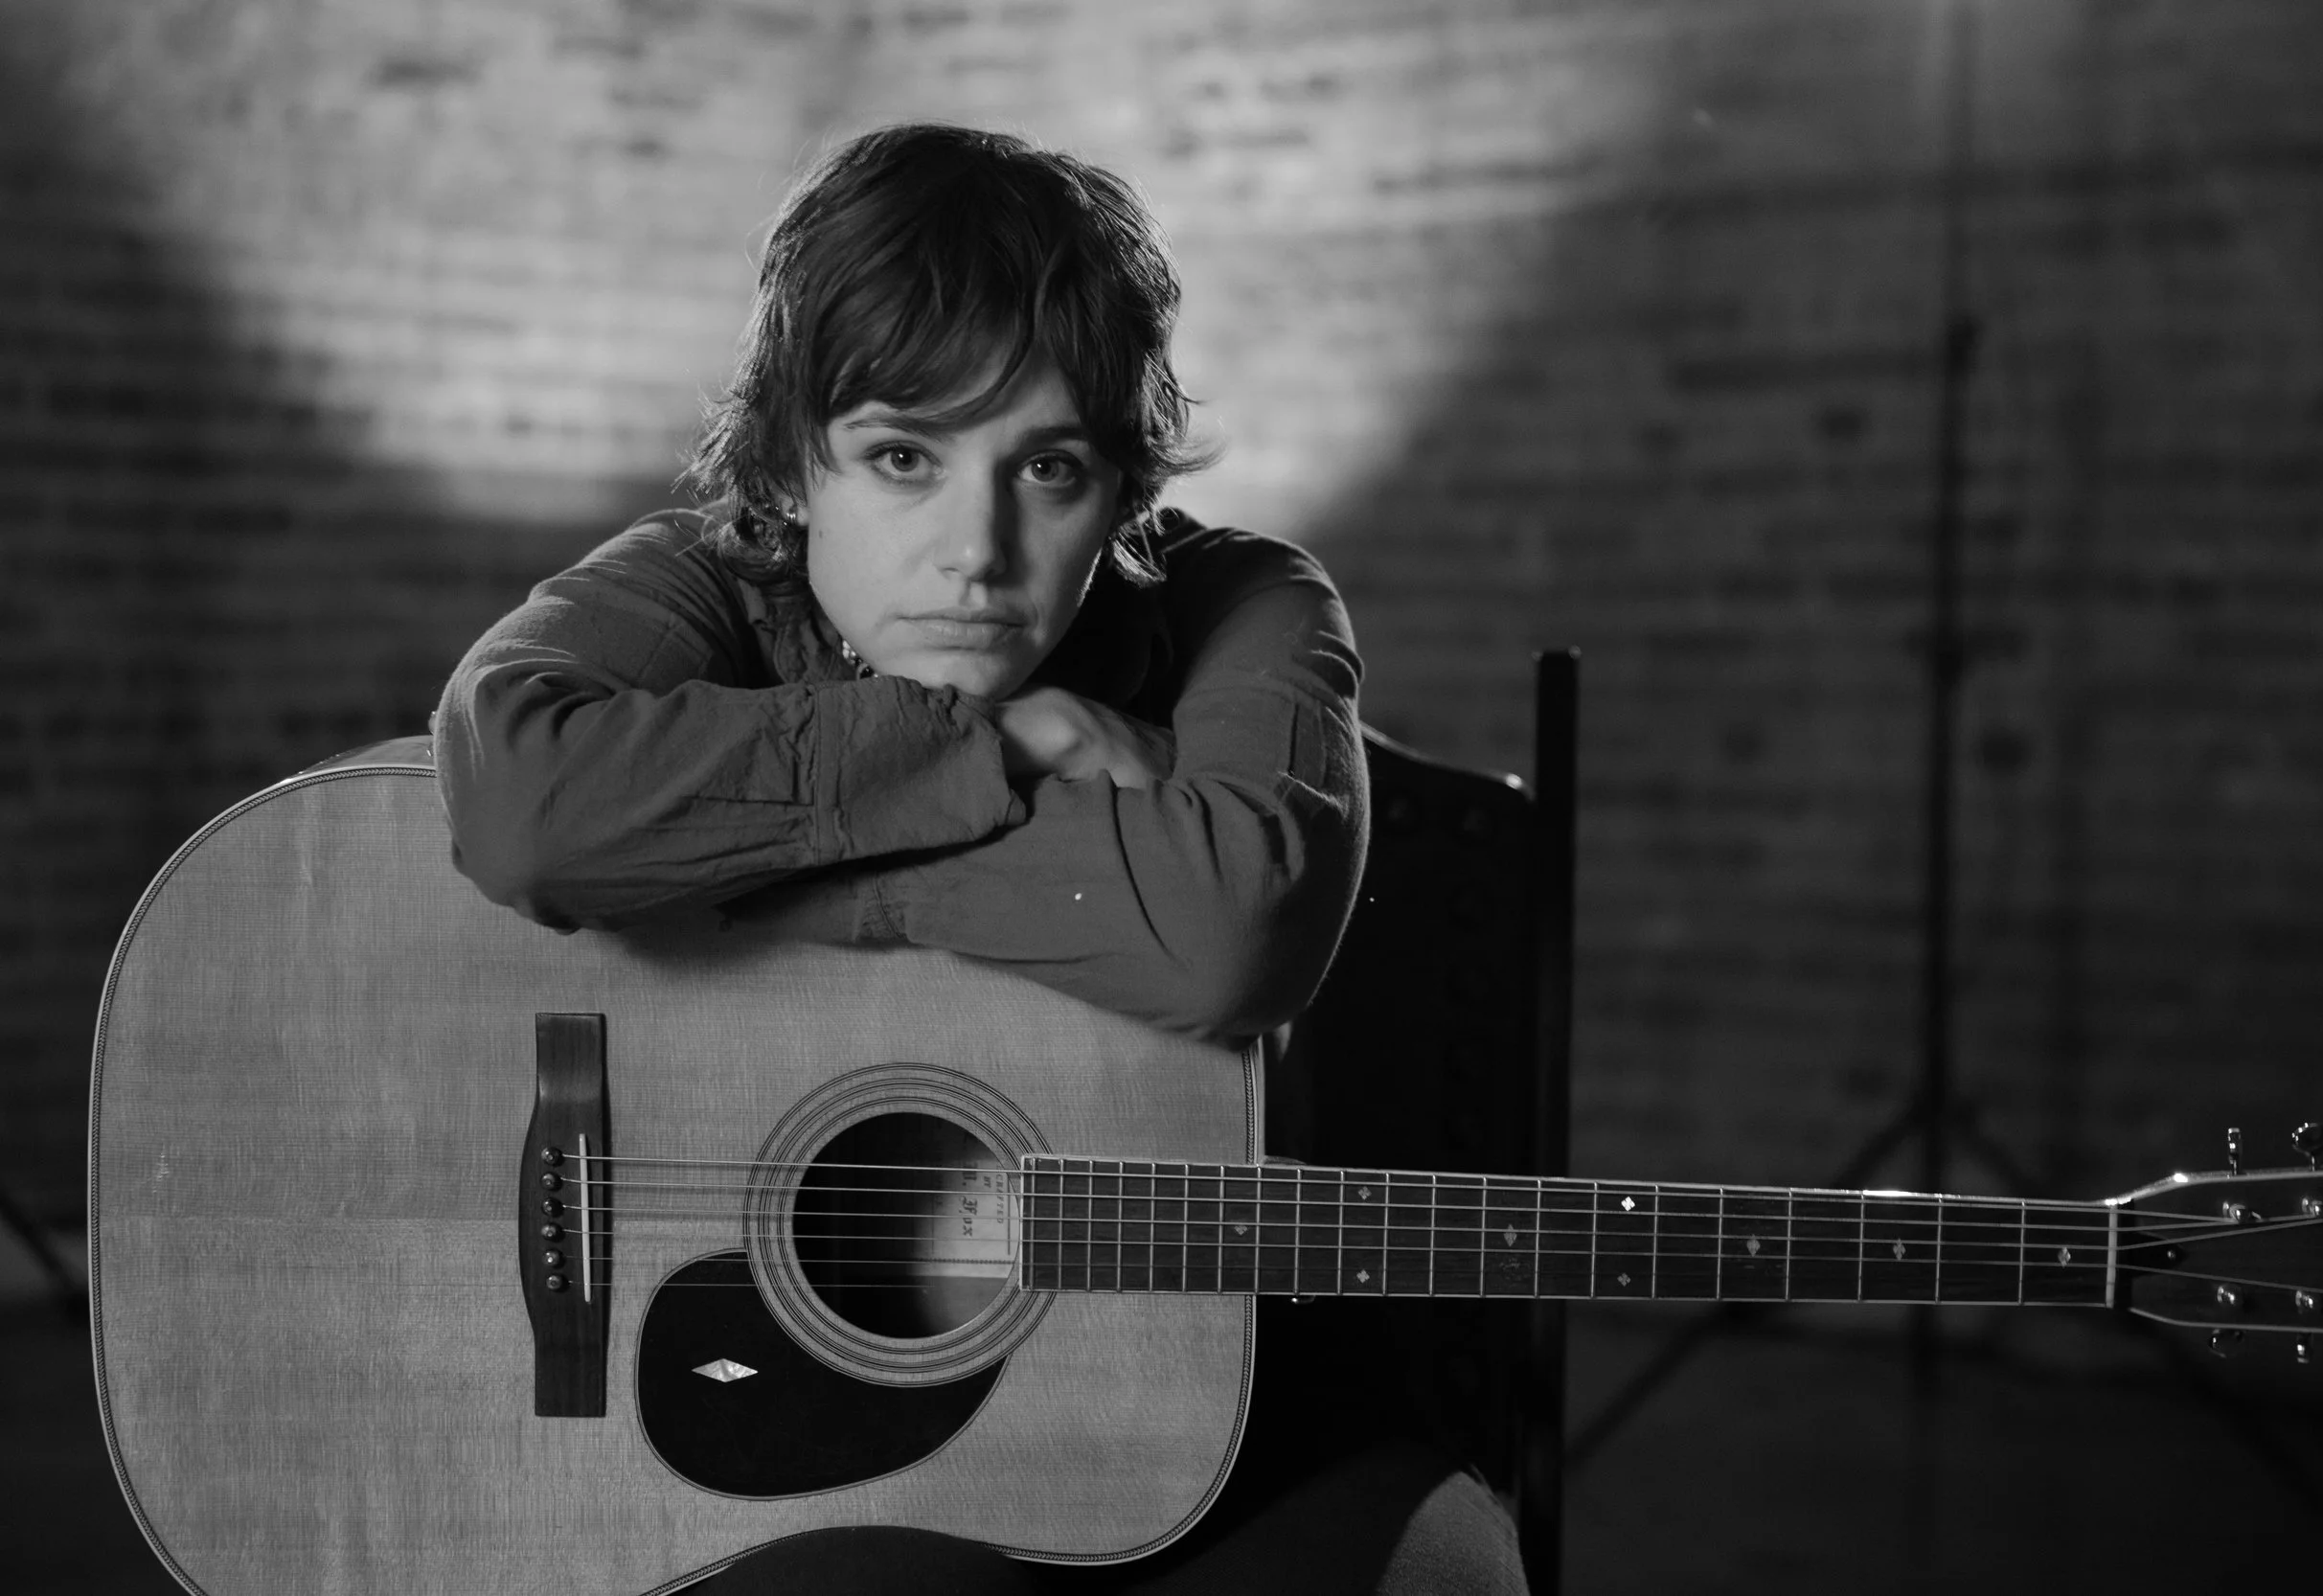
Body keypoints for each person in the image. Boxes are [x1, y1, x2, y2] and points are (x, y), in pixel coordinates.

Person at [433, 122, 1527, 1595]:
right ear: (791, 469)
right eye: (903, 456)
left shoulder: (1250, 600)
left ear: (1125, 494)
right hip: (798, 1405)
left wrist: (751, 875)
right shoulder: (706, 578)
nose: (979, 551)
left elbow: (1226, 942)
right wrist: (993, 752)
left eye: (1051, 469)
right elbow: (518, 805)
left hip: (1231, 1386)